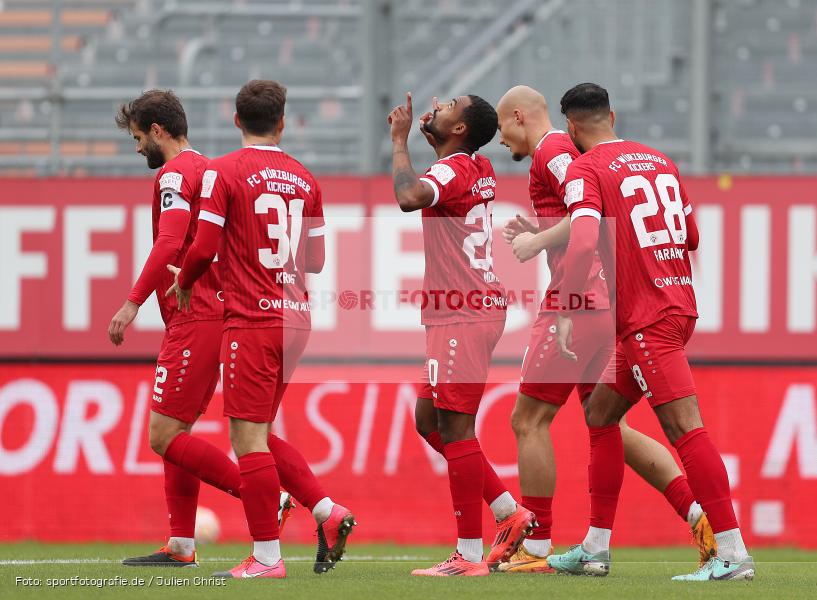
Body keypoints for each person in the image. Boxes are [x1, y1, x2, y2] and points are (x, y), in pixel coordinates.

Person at [494, 85, 715, 573]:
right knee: (607, 420)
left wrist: (539, 245)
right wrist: (541, 234)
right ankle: (695, 513)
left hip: (580, 296)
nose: (500, 138)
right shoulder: (572, 152)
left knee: (528, 420)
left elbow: (586, 218)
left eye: (502, 127)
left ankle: (536, 548)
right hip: (609, 303)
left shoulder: (553, 151)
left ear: (519, 116)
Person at [547, 83, 754, 581]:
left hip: (646, 320)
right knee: (600, 414)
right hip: (676, 307)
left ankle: (732, 554)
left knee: (685, 428)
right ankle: (595, 549)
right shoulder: (661, 161)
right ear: (612, 115)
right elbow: (691, 236)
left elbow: (581, 242)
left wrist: (567, 307)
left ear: (571, 128)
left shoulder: (584, 169)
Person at [168, 80, 354, 579]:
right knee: (261, 432)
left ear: (236, 120)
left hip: (252, 319)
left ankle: (268, 557)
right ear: (282, 123)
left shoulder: (223, 170)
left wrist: (185, 280)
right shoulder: (306, 179)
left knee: (247, 439)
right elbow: (315, 260)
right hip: (296, 318)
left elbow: (204, 245)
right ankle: (325, 510)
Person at [109, 90, 293, 568]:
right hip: (221, 314)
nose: (137, 149)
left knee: (162, 435)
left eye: (138, 138)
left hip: (196, 317)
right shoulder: (212, 170)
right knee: (180, 432)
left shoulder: (174, 175)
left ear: (158, 130)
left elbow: (170, 241)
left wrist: (132, 303)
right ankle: (181, 545)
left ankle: (262, 496)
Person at [388, 92, 535, 576]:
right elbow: (444, 175)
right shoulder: (475, 166)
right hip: (465, 309)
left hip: (462, 312)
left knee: (455, 428)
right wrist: (433, 136)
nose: (437, 105)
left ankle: (468, 555)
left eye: (449, 105)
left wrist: (399, 141)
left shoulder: (452, 171)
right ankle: (508, 511)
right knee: (428, 421)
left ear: (460, 130)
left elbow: (410, 197)